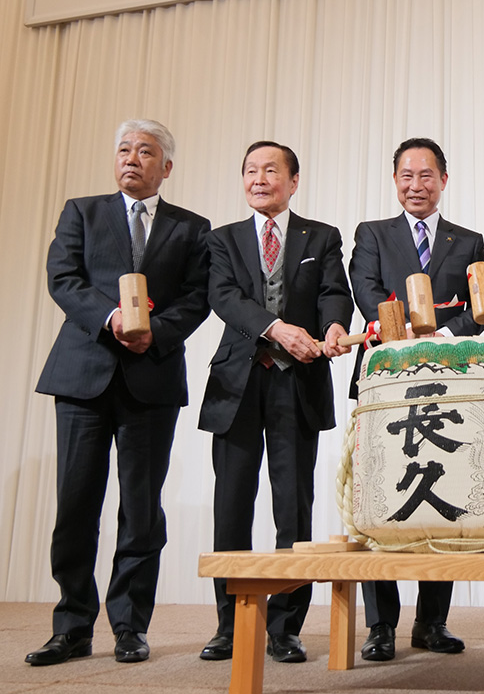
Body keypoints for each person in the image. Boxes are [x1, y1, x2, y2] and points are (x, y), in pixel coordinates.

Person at [28, 119, 211, 666]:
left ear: (166, 167)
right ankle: (72, 624)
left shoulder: (191, 226)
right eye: (124, 150)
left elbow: (198, 298)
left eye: (145, 152)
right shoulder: (81, 211)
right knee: (77, 504)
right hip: (82, 377)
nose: (131, 159)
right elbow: (63, 278)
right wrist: (111, 318)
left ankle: (131, 625)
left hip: (150, 379)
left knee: (140, 508)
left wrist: (156, 332)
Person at [198, 141, 354, 664]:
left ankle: (286, 626)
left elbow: (336, 291)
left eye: (270, 170)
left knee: (294, 508)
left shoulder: (322, 236)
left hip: (297, 382)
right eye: (250, 170)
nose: (258, 179)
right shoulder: (221, 239)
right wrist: (277, 328)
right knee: (232, 506)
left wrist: (333, 324)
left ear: (293, 181)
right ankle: (230, 624)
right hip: (237, 384)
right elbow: (224, 297)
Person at [349, 137, 484, 661]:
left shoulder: (468, 240)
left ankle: (432, 621)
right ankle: (380, 625)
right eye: (406, 175)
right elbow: (364, 288)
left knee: (442, 495)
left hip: (447, 381)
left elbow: (479, 307)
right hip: (385, 377)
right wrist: (401, 331)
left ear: (444, 181)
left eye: (426, 175)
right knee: (380, 500)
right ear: (394, 180)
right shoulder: (373, 234)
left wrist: (439, 340)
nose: (416, 185)